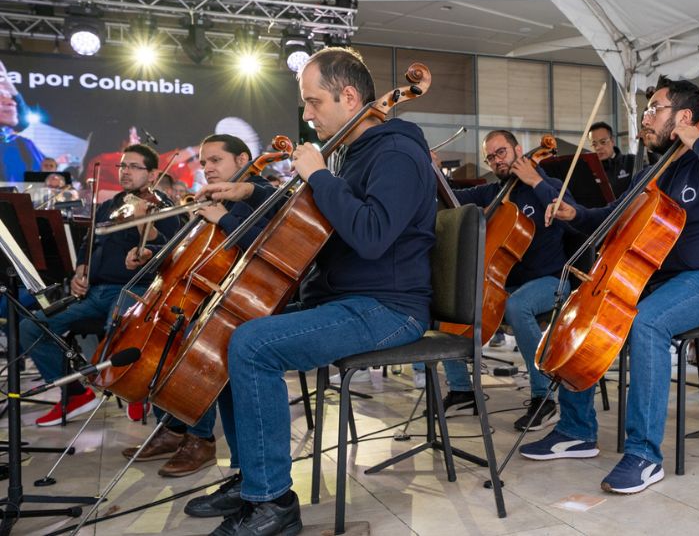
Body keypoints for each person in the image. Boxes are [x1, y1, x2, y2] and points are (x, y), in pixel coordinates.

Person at [198, 47, 437, 535]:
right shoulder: (355, 153)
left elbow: (370, 235)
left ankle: (273, 505)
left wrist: (321, 175)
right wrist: (255, 192)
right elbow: (311, 216)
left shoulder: (396, 152)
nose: (307, 116)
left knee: (252, 344)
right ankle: (252, 479)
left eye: (314, 102)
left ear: (349, 97)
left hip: (390, 307)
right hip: (347, 298)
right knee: (229, 330)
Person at [520, 76, 699, 494]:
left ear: (683, 117)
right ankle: (576, 431)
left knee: (647, 323)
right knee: (584, 313)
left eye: (655, 110)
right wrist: (574, 214)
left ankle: (644, 455)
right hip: (660, 280)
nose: (645, 118)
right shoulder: (653, 171)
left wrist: (697, 140)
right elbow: (611, 216)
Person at [119, 134, 276, 486]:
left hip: (246, 302)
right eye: (203, 162)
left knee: (190, 339)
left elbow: (267, 253)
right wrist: (155, 252)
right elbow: (196, 254)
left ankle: (199, 438)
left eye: (215, 160)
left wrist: (222, 219)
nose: (206, 168)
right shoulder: (215, 198)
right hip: (212, 294)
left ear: (243, 160)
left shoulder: (262, 196)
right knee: (163, 333)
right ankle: (174, 427)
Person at [17, 144, 182, 426]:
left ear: (153, 174)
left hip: (134, 290)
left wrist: (144, 221)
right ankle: (74, 394)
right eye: (122, 166)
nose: (125, 172)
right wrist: (80, 271)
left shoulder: (164, 207)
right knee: (32, 326)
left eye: (133, 166)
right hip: (94, 293)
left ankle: (134, 390)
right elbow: (88, 244)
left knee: (120, 327)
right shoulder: (109, 205)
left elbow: (168, 251)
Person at [436, 130, 575, 431]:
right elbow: (451, 200)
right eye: (491, 157)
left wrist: (534, 180)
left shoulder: (548, 185)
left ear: (517, 150)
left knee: (516, 306)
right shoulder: (492, 193)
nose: (497, 160)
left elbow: (571, 215)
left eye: (501, 152)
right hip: (508, 284)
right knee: (447, 303)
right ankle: (461, 391)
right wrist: (431, 172)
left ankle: (544, 398)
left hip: (553, 281)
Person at [0, 60, 45, 182]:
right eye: (0, 97)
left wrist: (6, 80)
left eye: (9, 97)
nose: (11, 102)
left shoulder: (24, 145)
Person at [588, 122, 636, 198]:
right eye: (594, 144)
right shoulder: (588, 170)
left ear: (612, 141)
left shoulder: (631, 161)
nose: (598, 147)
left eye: (603, 142)